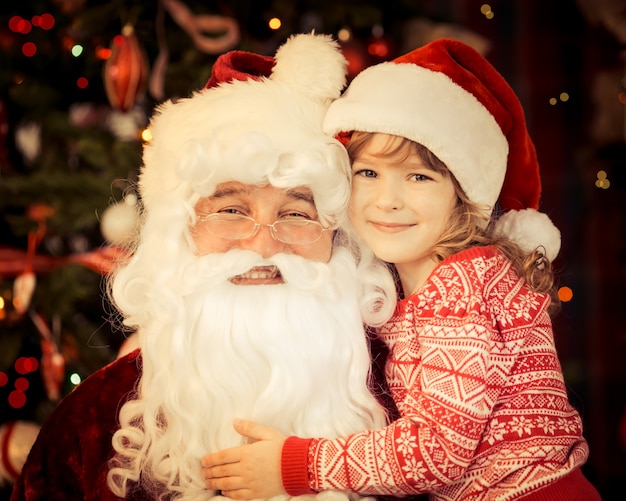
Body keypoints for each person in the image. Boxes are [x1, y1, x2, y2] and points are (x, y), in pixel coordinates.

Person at [200, 38, 602, 500]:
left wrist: (298, 465)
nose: (388, 200)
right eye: (368, 173)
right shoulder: (413, 282)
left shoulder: (461, 286)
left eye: (418, 177)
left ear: (462, 196)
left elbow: (437, 452)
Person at [10, 33, 398, 500]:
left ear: (339, 239)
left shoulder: (414, 402)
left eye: (295, 214)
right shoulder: (88, 422)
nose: (262, 247)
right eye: (232, 210)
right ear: (179, 232)